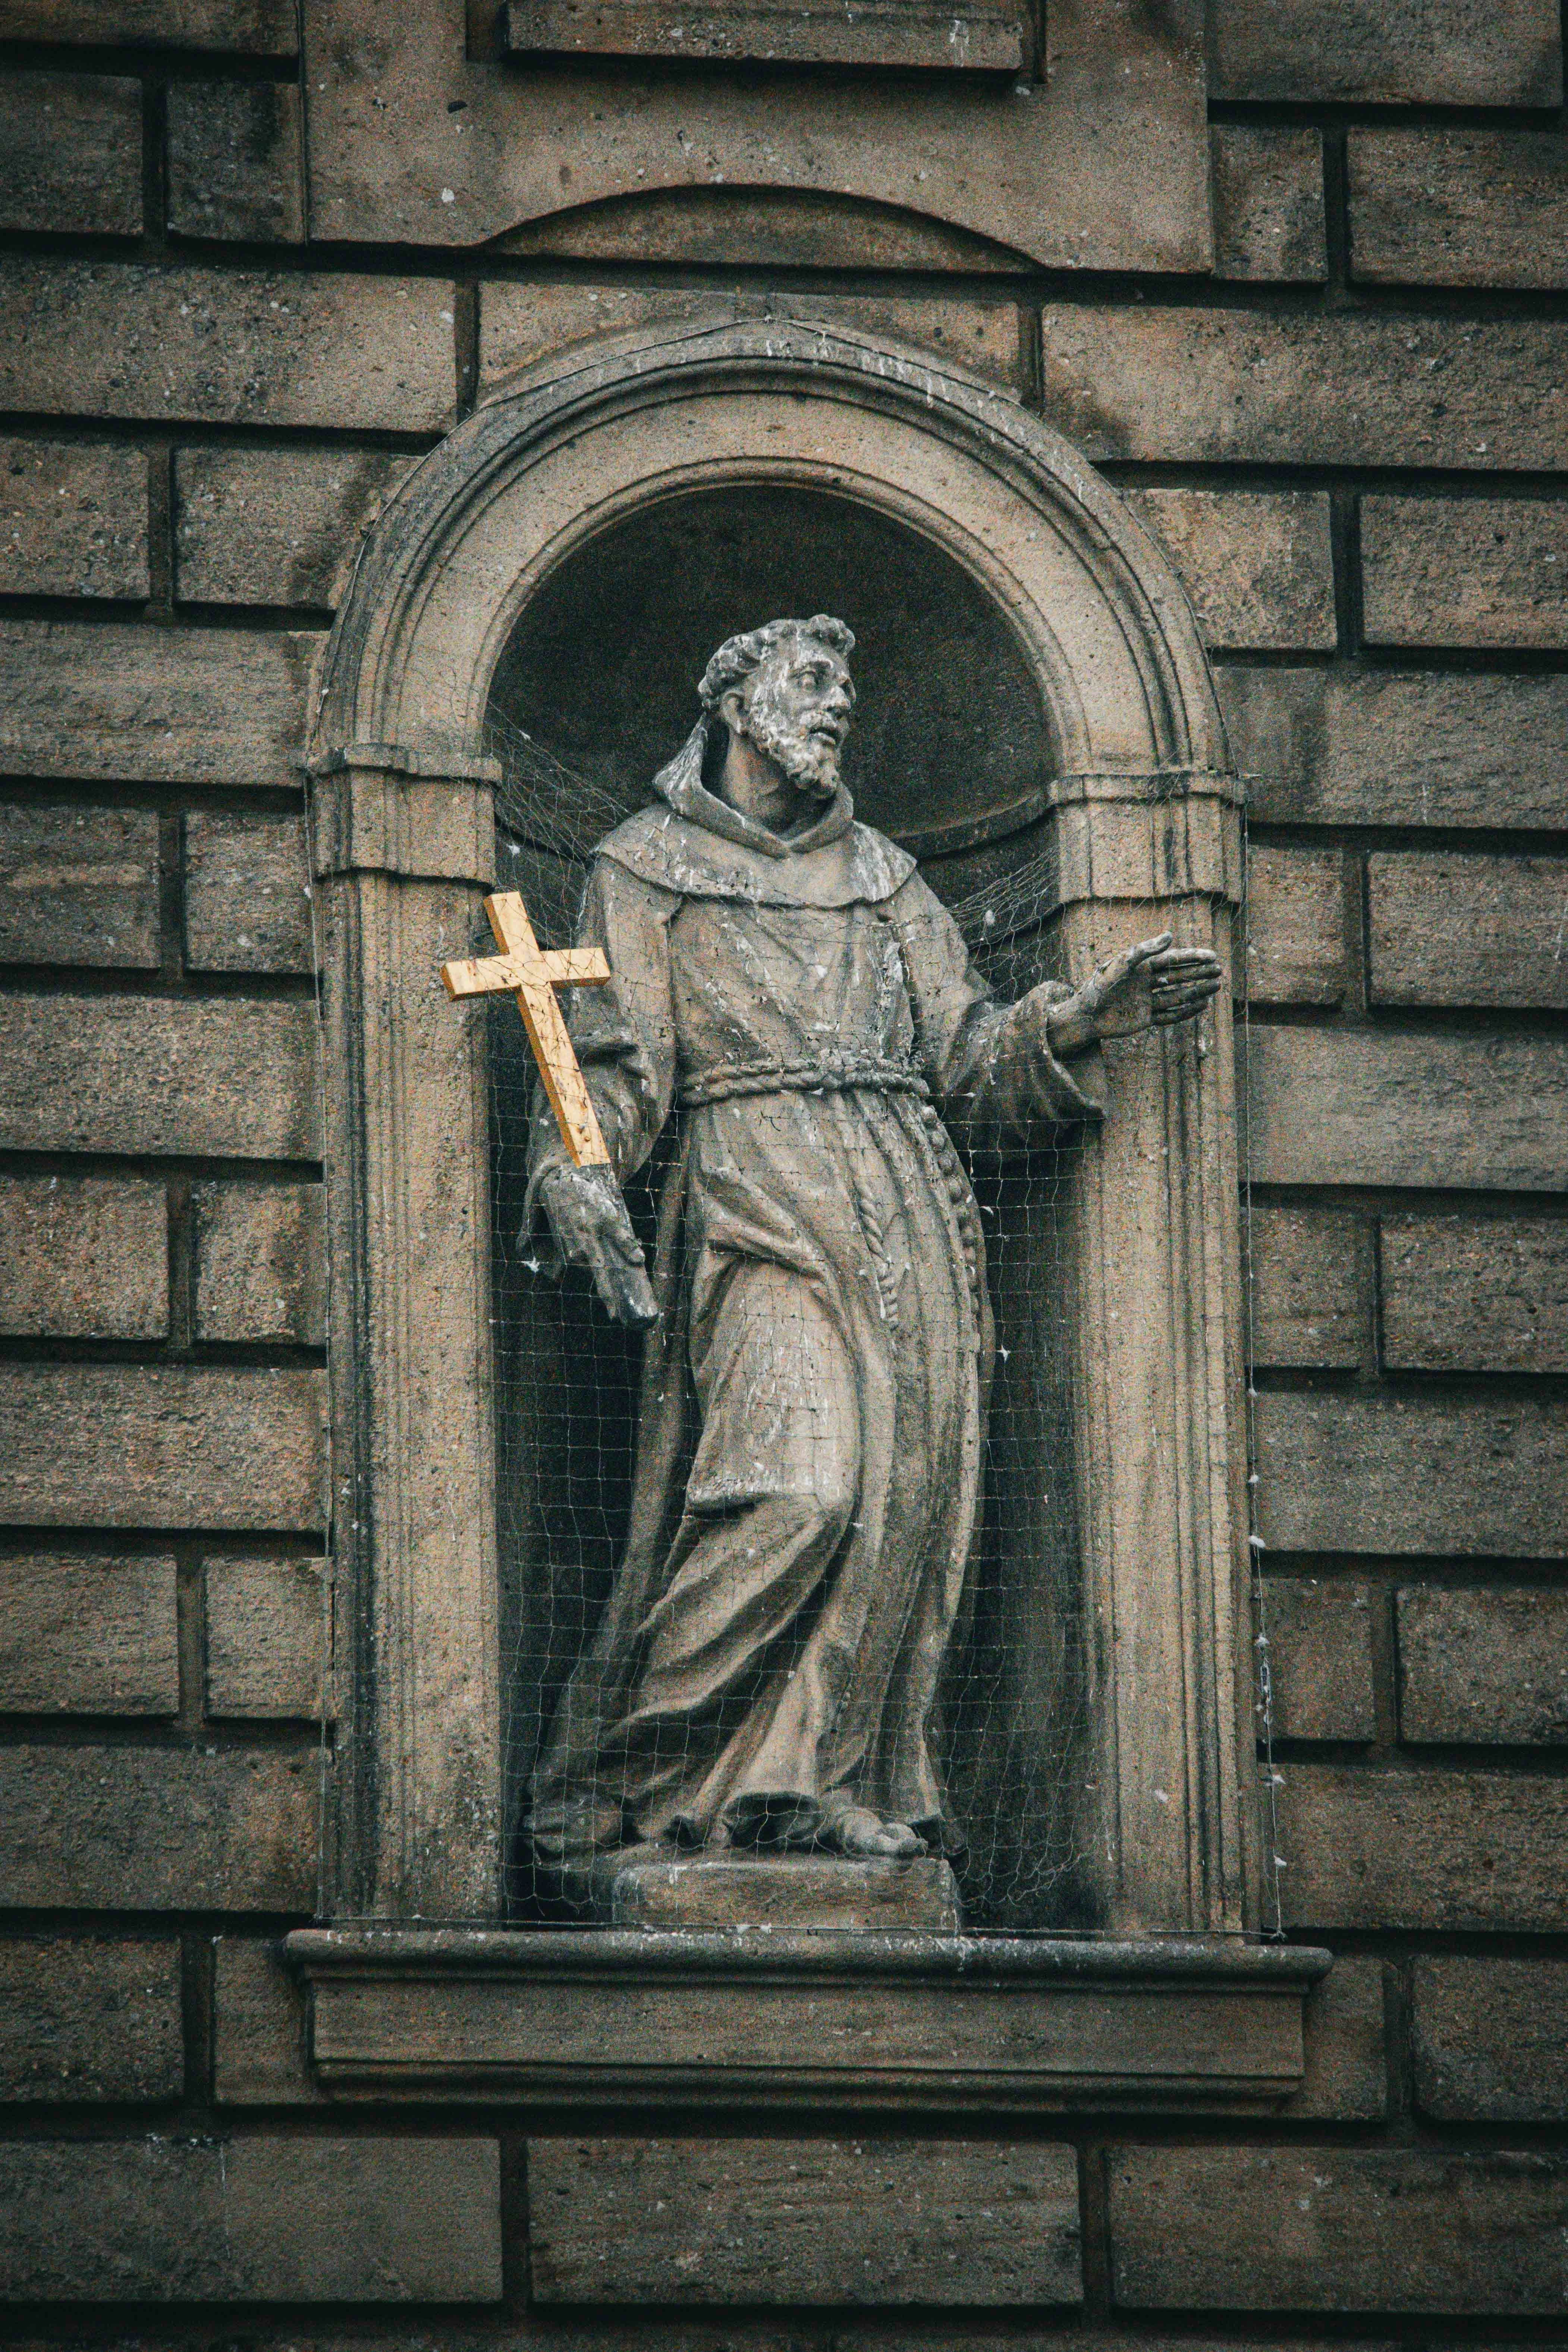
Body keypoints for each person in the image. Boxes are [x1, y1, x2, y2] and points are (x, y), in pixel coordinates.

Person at [525, 614, 1221, 1869]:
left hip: (909, 1218)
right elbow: (615, 1064)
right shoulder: (640, 867)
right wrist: (573, 1162)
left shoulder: (888, 877)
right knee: (799, 1486)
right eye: (811, 681)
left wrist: (1074, 1022)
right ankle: (645, 1767)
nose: (838, 705)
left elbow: (965, 1058)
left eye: (849, 686)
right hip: (753, 1200)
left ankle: (811, 1778)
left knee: (893, 1507)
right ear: (734, 702)